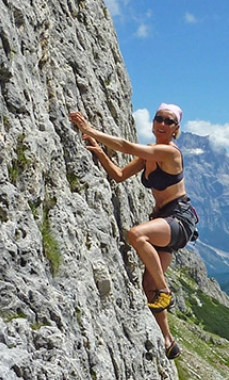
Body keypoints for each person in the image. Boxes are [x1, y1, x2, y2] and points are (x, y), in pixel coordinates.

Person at [69, 103, 198, 360]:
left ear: (176, 129)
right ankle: (168, 340)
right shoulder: (149, 153)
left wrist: (90, 130)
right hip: (163, 221)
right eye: (159, 118)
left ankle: (166, 292)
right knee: (148, 284)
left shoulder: (169, 153)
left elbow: (126, 146)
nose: (162, 124)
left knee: (137, 235)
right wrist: (100, 154)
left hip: (179, 220)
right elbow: (119, 175)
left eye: (169, 121)